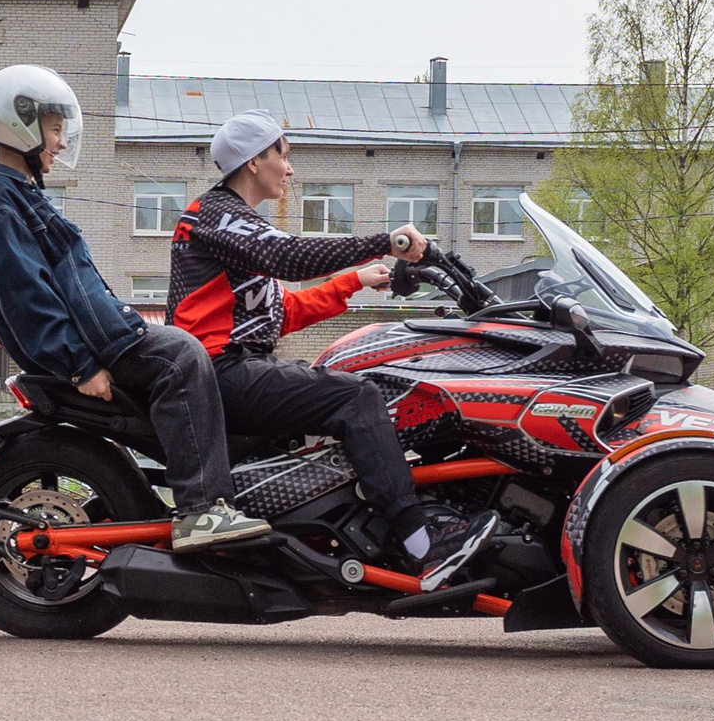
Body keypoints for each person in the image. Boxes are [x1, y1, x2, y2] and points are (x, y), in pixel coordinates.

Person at [166, 110, 495, 585]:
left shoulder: (236, 225)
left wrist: (353, 283)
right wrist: (388, 241)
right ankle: (420, 543)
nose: (290, 168)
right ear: (255, 161)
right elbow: (292, 257)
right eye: (284, 154)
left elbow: (282, 312)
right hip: (217, 372)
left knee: (364, 382)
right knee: (357, 395)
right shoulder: (219, 216)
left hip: (234, 365)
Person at [0, 64, 269, 553]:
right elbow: (27, 295)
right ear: (17, 123)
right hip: (91, 347)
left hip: (102, 335)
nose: (61, 142)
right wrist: (78, 364)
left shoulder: (16, 195)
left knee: (183, 353)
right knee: (181, 356)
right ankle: (201, 510)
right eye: (55, 128)